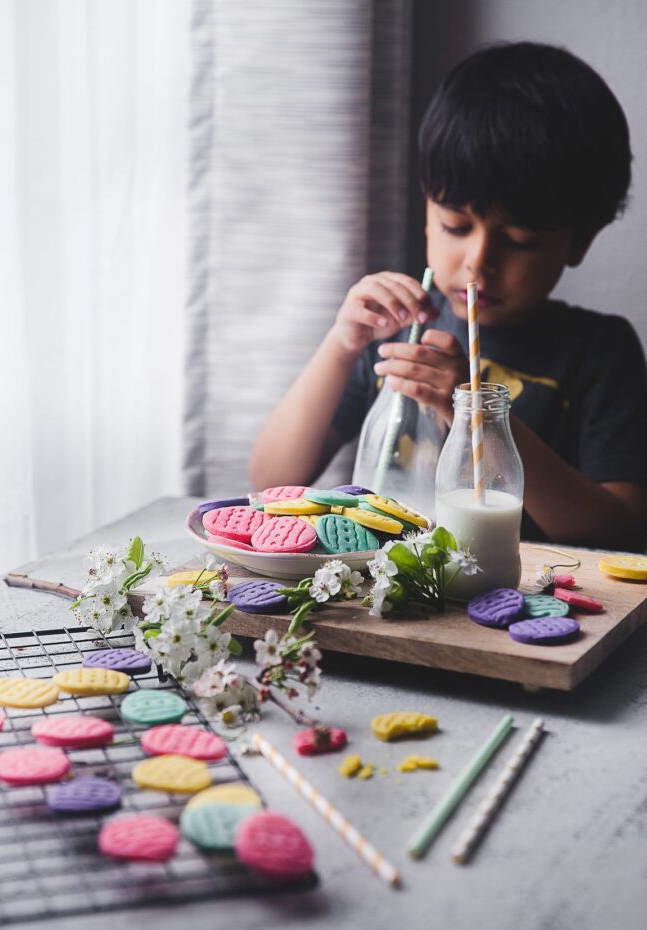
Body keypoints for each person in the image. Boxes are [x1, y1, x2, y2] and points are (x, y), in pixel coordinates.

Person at [250, 41, 647, 550]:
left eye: (520, 241)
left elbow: (622, 529)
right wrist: (341, 343)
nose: (478, 261)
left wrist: (476, 410)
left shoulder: (599, 351)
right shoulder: (396, 333)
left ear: (580, 241)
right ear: (427, 210)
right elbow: (271, 479)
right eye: (455, 225)